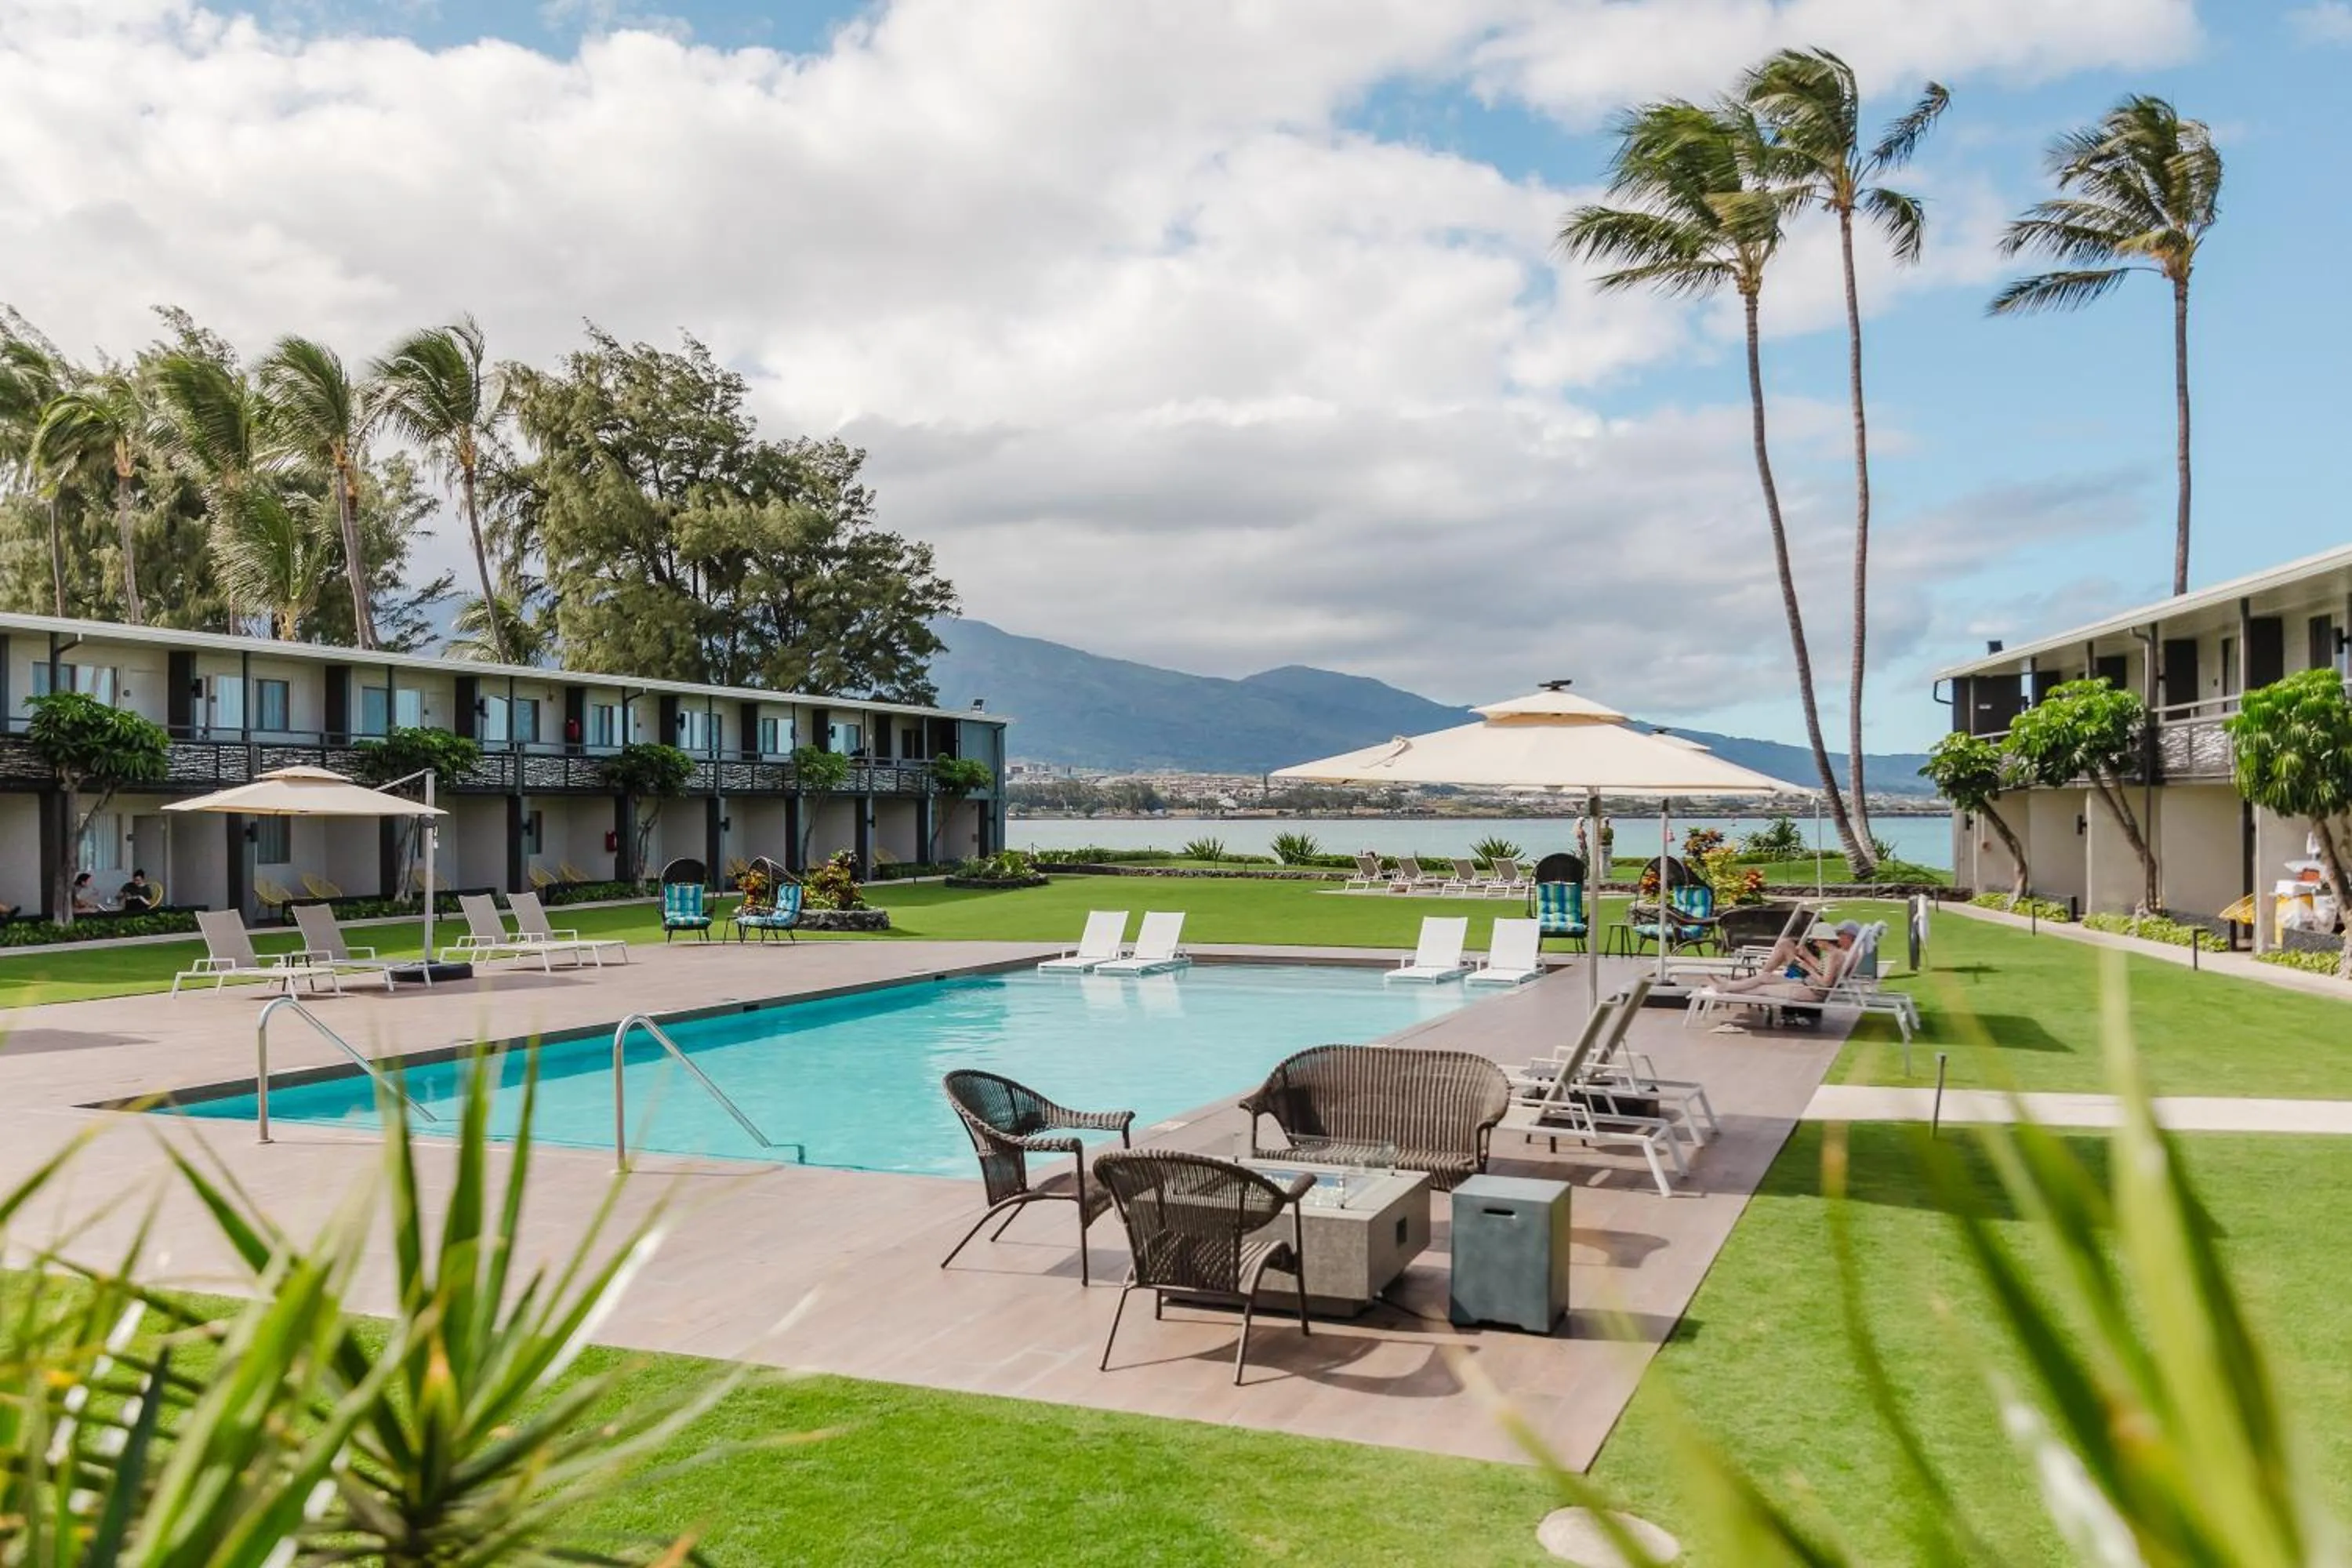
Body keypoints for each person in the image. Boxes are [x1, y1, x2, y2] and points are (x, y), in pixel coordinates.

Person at [1684, 920, 1860, 1002]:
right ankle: (1726, 986)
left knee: (1764, 988)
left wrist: (1807, 966)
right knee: (1765, 976)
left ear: (1822, 940)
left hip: (1811, 991)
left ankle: (1725, 989)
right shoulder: (1834, 954)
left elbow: (1825, 983)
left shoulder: (1835, 955)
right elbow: (1824, 972)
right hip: (1805, 983)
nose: (1814, 942)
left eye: (1815, 940)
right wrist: (1808, 959)